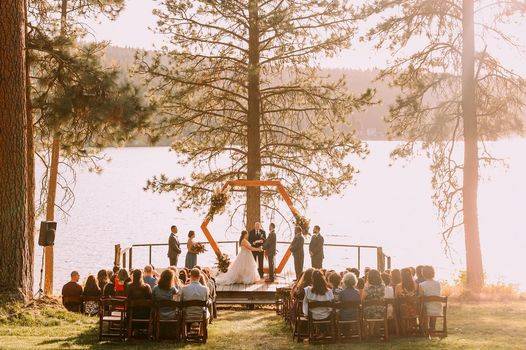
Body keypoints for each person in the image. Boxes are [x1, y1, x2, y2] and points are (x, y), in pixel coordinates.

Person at [419, 265, 442, 331]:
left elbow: (421, 297)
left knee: (423, 305)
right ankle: (432, 327)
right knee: (433, 304)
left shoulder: (421, 285)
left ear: (423, 274)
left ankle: (424, 328)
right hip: (437, 309)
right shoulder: (438, 284)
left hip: (427, 310)